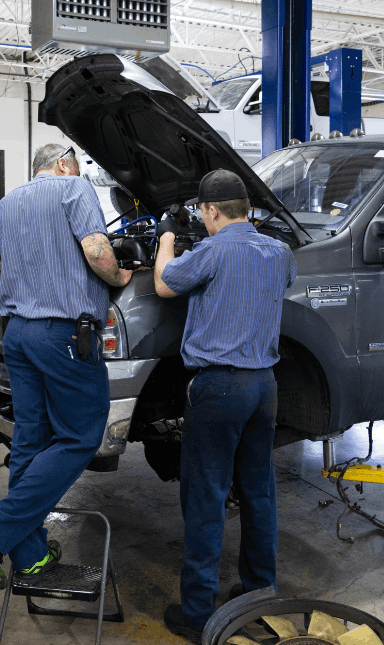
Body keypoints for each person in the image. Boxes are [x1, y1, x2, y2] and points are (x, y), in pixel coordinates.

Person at [0, 143, 132, 589]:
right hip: (62, 335)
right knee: (80, 436)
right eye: (75, 166)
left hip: (17, 333)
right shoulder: (73, 188)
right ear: (62, 164)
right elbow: (97, 252)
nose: (78, 172)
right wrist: (120, 275)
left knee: (30, 439)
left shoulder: (6, 204)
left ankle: (31, 555)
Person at [154, 169, 297, 643]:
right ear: (247, 208)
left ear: (212, 211)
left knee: (207, 496)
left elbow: (164, 284)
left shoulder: (211, 251)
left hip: (219, 389)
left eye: (202, 213)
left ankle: (197, 613)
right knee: (258, 492)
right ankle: (260, 593)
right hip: (264, 386)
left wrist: (167, 238)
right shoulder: (279, 251)